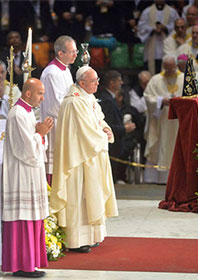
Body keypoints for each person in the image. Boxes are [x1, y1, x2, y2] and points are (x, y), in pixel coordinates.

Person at [50, 66, 118, 253]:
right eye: (93, 80)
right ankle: (76, 240)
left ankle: (92, 236)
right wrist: (103, 137)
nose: (97, 83)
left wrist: (106, 129)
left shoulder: (88, 98)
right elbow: (86, 132)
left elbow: (98, 120)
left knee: (91, 197)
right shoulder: (74, 102)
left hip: (90, 157)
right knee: (79, 198)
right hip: (78, 160)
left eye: (97, 79)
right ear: (81, 83)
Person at [1, 78, 54, 278]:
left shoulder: (28, 112)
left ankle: (29, 263)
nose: (43, 98)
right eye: (40, 93)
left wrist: (41, 134)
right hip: (21, 175)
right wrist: (40, 134)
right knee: (22, 219)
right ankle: (21, 265)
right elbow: (25, 151)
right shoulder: (17, 114)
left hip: (31, 174)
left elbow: (37, 146)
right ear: (28, 93)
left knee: (32, 218)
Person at [40, 35, 77, 184]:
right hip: (55, 123)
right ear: (60, 54)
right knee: (54, 165)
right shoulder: (51, 73)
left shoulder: (65, 70)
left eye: (76, 51)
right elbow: (56, 104)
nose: (76, 55)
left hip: (65, 122)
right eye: (72, 52)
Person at [143, 55, 184, 184]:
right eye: (167, 69)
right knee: (162, 146)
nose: (170, 72)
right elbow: (148, 98)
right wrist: (161, 101)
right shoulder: (156, 80)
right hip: (162, 122)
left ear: (176, 66)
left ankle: (179, 179)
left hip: (179, 122)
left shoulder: (185, 79)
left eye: (172, 69)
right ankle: (160, 179)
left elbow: (195, 97)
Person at [96, 70, 135, 183]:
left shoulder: (110, 98)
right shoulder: (107, 100)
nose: (121, 83)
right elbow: (106, 124)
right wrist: (125, 129)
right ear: (112, 83)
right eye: (119, 80)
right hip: (112, 144)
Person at [137, 0, 179, 75]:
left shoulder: (172, 12)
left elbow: (177, 27)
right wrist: (152, 29)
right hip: (152, 47)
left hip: (166, 45)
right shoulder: (147, 12)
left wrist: (165, 28)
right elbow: (141, 27)